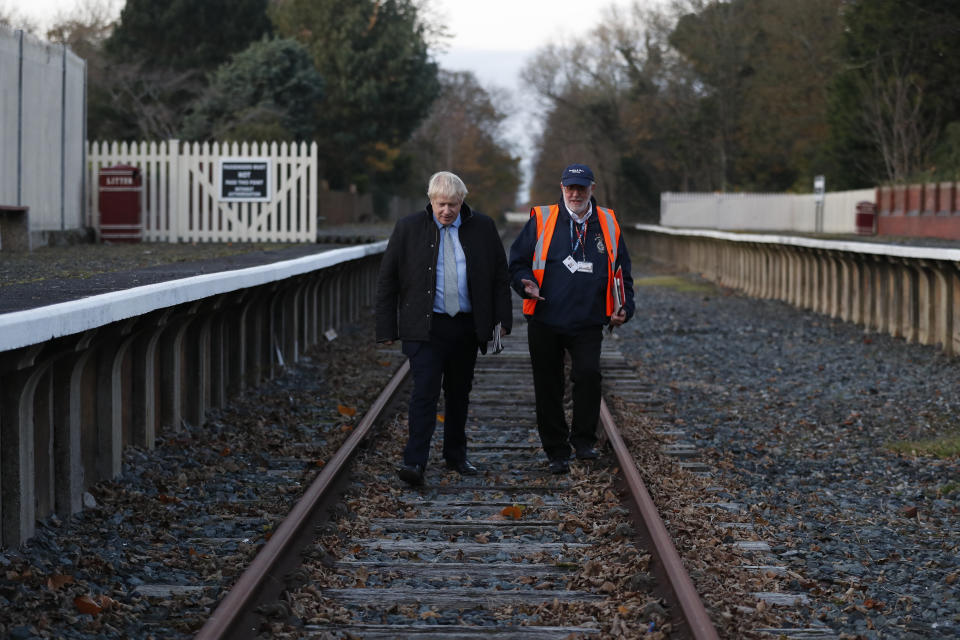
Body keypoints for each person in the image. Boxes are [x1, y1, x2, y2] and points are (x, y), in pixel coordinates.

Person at [376, 171, 512, 486]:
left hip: (466, 327)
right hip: (425, 327)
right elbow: (388, 280)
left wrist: (502, 321)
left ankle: (455, 456)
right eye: (440, 204)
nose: (446, 211)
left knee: (459, 394)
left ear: (462, 202)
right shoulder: (409, 229)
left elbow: (499, 278)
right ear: (431, 201)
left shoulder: (483, 228)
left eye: (452, 204)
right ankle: (415, 462)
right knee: (424, 393)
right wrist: (386, 328)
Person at [508, 163, 634, 474]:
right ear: (562, 188)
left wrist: (625, 307)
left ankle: (584, 441)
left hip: (589, 320)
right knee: (547, 385)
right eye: (570, 187)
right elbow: (518, 263)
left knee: (589, 375)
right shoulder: (543, 219)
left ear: (592, 188)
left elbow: (623, 274)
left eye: (581, 187)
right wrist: (524, 283)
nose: (575, 193)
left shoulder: (608, 222)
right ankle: (556, 451)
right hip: (546, 318)